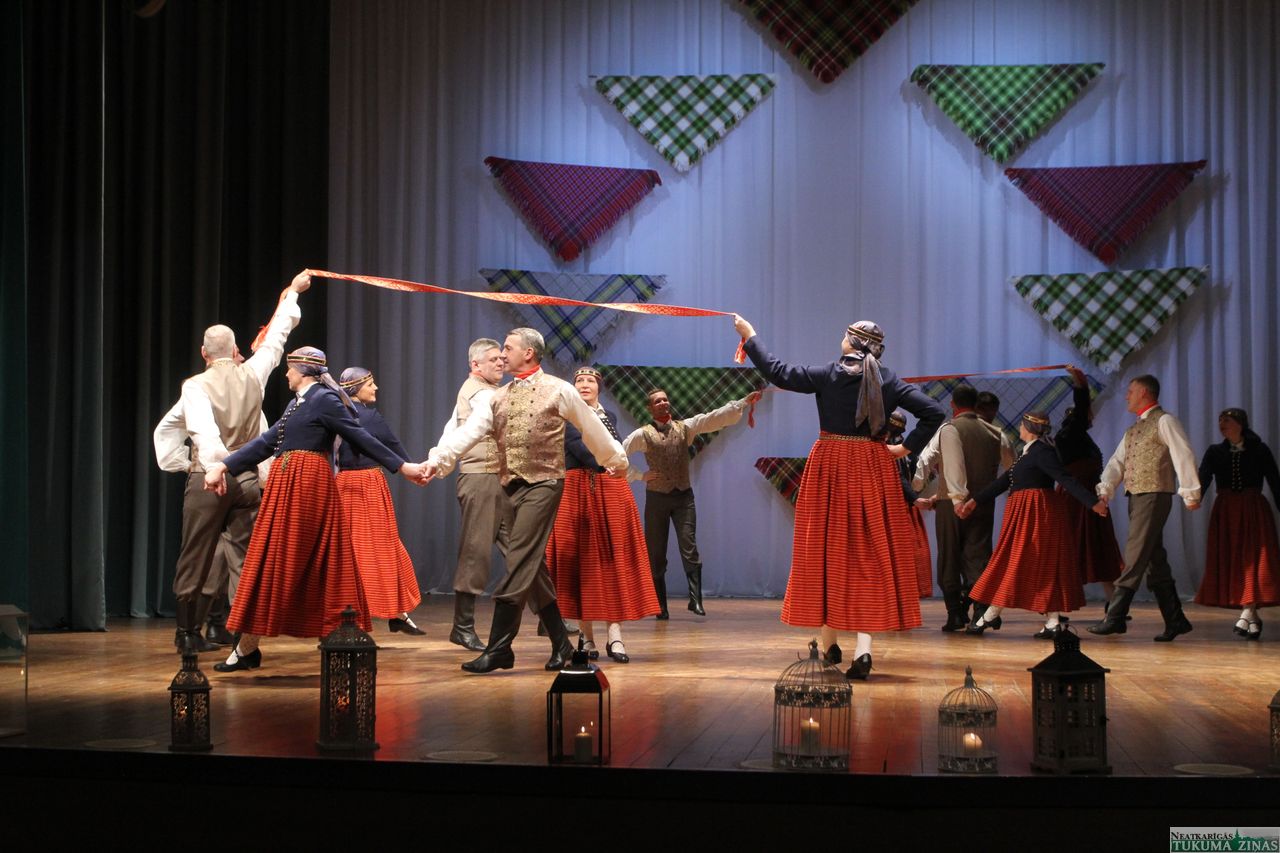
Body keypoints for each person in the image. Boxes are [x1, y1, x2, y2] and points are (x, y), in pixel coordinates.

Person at [735, 314, 945, 680]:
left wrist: (750, 336)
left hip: (831, 464)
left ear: (851, 342)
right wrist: (903, 448)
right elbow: (935, 412)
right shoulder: (888, 379)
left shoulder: (829, 374)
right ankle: (861, 649)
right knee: (869, 555)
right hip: (872, 466)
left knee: (825, 550)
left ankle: (830, 643)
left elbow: (778, 372)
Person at [203, 347, 429, 672]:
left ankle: (339, 642)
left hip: (308, 487)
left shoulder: (324, 399)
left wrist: (402, 466)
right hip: (287, 487)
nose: (286, 374)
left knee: (312, 564)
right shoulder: (297, 402)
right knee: (271, 563)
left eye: (289, 369)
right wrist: (224, 466)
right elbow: (267, 441)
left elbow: (359, 436)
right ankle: (247, 648)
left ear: (302, 371)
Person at [424, 328, 627, 674]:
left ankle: (499, 648)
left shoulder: (559, 389)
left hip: (544, 484)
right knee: (533, 568)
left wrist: (616, 460)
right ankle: (561, 643)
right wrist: (438, 461)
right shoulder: (497, 396)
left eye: (508, 348)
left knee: (518, 559)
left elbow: (590, 425)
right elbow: (467, 432)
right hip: (509, 485)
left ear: (529, 353)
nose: (503, 355)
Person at [152, 271, 306, 654]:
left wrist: (197, 465)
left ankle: (188, 632)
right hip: (247, 478)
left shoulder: (195, 385)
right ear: (236, 349)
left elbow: (199, 431)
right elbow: (277, 337)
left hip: (210, 478)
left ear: (204, 353)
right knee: (244, 557)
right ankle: (242, 637)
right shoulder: (253, 373)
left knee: (196, 552)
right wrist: (292, 293)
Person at [957, 412, 1109, 638]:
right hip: (1024, 515)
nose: (1019, 427)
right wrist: (974, 501)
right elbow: (1004, 481)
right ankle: (1052, 622)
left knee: (1016, 564)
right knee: (1034, 565)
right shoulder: (1027, 453)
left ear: (1028, 427)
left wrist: (1092, 503)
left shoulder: (1042, 452)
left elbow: (1065, 479)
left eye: (1021, 424)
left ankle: (989, 615)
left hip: (1036, 516)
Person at [545, 367, 660, 663]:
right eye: (579, 381)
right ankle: (586, 636)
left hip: (610, 489)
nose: (584, 384)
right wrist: (605, 463)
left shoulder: (608, 415)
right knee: (582, 562)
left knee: (613, 559)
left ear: (599, 387)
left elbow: (616, 447)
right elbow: (577, 445)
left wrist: (614, 465)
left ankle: (615, 634)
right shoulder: (566, 414)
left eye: (590, 381)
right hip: (579, 488)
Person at [622, 387, 760, 619]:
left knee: (689, 547)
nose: (663, 403)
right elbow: (618, 454)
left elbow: (712, 418)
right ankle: (660, 607)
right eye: (657, 401)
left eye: (665, 399)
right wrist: (638, 475)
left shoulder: (685, 427)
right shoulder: (642, 434)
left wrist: (742, 403)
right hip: (656, 499)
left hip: (683, 497)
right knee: (656, 553)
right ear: (649, 408)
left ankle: (695, 600)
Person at [1088, 375, 1201, 641]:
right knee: (1153, 558)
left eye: (1131, 391)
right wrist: (1105, 489)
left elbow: (1183, 453)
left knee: (1135, 553)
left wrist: (1190, 491)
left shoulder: (1165, 421)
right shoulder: (1134, 429)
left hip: (1154, 494)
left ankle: (1115, 617)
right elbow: (1118, 461)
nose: (1127, 396)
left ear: (1144, 393)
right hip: (1137, 496)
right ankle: (1175, 619)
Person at [436, 338, 513, 651]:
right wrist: (438, 462)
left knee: (523, 550)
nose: (500, 363)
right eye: (493, 359)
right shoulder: (480, 393)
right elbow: (457, 433)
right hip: (481, 477)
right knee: (476, 552)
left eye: (501, 358)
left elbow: (450, 429)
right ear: (475, 365)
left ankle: (551, 619)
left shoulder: (486, 391)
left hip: (499, 478)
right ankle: (462, 626)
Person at [336, 367, 423, 635]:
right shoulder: (368, 416)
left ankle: (393, 612)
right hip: (366, 485)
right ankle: (374, 615)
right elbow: (391, 444)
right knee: (375, 549)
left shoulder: (337, 414)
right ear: (355, 388)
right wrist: (412, 469)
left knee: (355, 550)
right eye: (370, 384)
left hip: (342, 484)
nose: (375, 388)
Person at [911, 385, 1005, 632]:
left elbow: (926, 460)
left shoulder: (949, 428)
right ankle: (980, 612)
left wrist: (916, 489)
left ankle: (955, 613)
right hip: (982, 502)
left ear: (953, 405)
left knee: (949, 556)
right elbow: (1013, 466)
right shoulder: (996, 432)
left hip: (949, 503)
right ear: (976, 405)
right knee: (978, 555)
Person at [1194, 408, 1280, 639]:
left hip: (1253, 509)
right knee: (1234, 560)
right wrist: (1194, 498)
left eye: (1227, 420)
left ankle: (1247, 612)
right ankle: (1252, 616)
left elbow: (1275, 480)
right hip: (1226, 511)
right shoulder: (1215, 451)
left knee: (1252, 559)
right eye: (1220, 420)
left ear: (1240, 424)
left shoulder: (1259, 449)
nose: (1222, 424)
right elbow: (1203, 478)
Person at [1055, 366, 1123, 603]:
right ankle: (1060, 602)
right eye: (1087, 413)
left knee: (1101, 550)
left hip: (1088, 497)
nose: (1092, 416)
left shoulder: (1079, 437)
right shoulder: (1070, 434)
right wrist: (1080, 383)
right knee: (1072, 548)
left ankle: (1113, 604)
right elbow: (1082, 406)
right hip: (1076, 499)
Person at [887, 410, 934, 608]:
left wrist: (913, 498)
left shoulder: (894, 448)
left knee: (900, 553)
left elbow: (899, 477)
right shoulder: (906, 447)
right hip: (901, 505)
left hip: (896, 506)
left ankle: (900, 595)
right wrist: (914, 497)